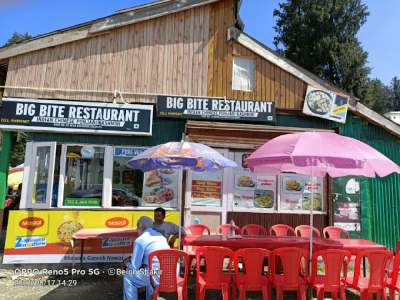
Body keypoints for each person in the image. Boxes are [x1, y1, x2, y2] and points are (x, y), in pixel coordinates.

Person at [123, 216, 169, 300]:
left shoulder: (140, 240)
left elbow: (134, 266)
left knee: (128, 276)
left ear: (141, 226)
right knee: (148, 271)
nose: (136, 230)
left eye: (137, 227)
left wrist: (127, 264)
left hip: (155, 276)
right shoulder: (161, 237)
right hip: (169, 275)